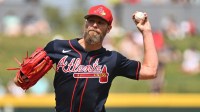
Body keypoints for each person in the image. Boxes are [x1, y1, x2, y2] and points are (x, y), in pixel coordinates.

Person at [14, 5, 158, 112]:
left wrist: (146, 32)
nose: (94, 25)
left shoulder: (112, 59)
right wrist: (22, 78)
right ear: (86, 24)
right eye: (91, 21)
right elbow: (20, 81)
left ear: (108, 29)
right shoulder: (57, 47)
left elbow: (150, 71)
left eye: (100, 22)